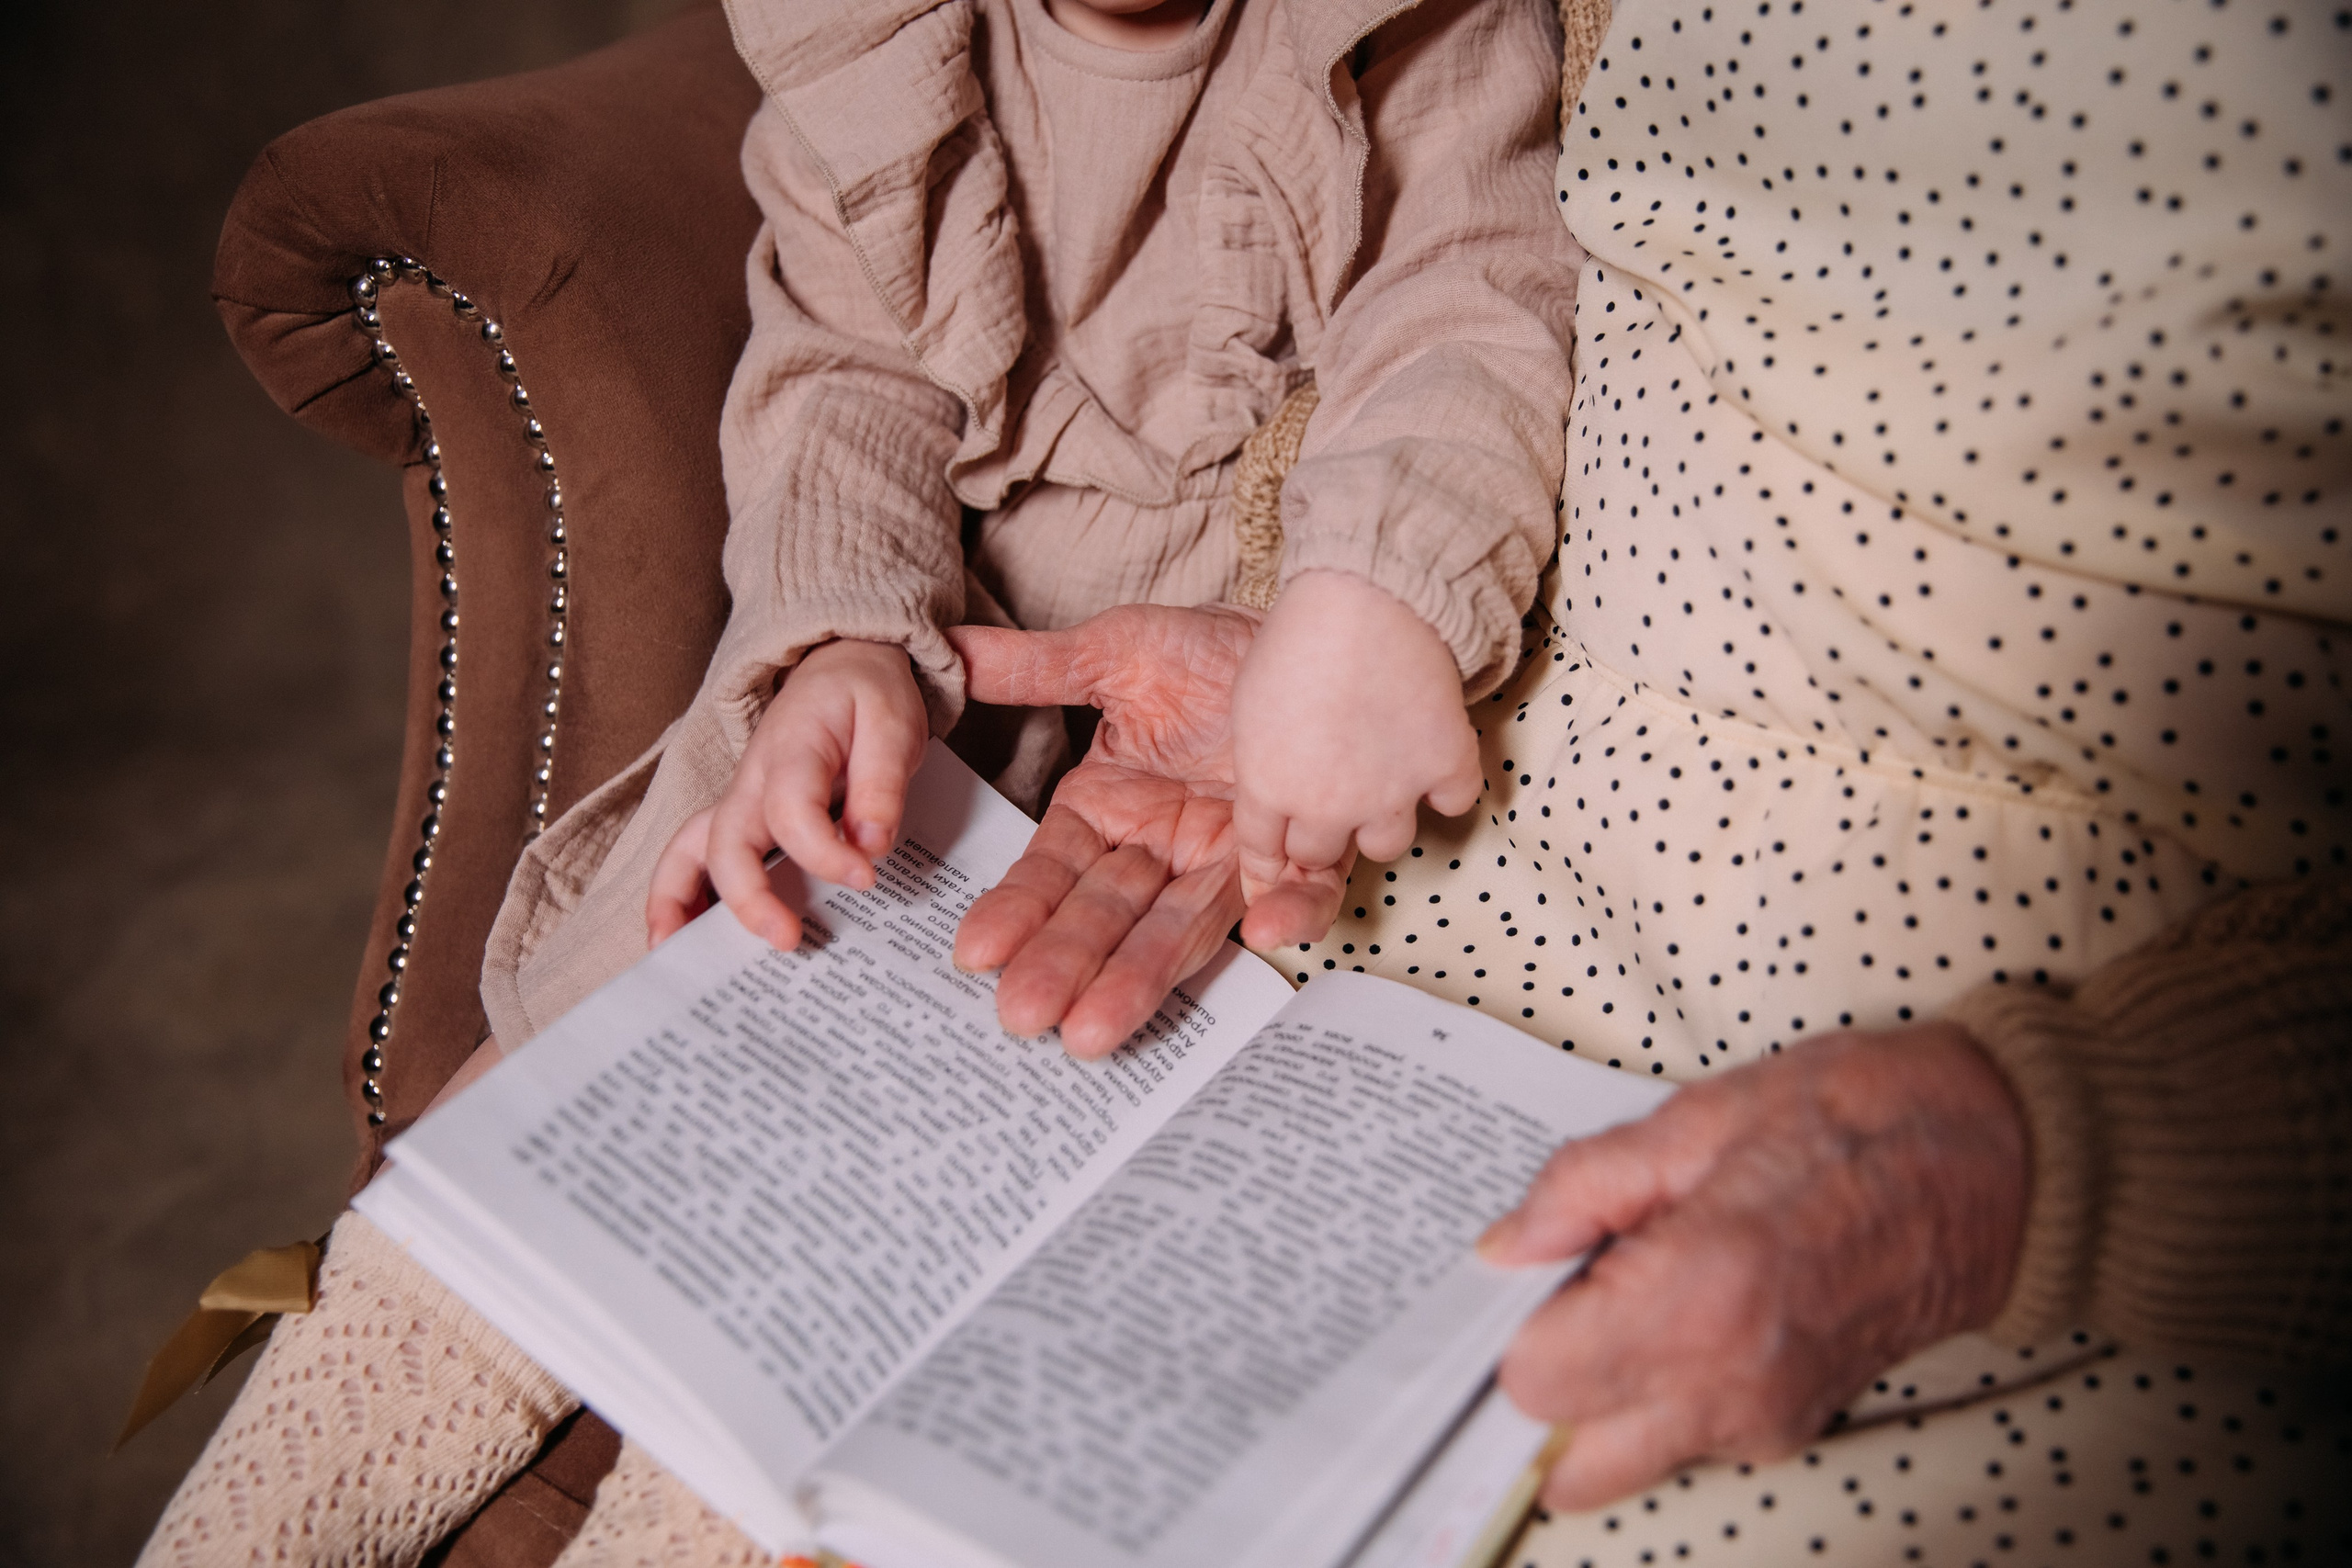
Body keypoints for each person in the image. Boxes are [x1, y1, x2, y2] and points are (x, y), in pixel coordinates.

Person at [138, 0, 1589, 1562]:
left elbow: (1473, 311)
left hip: (1230, 726)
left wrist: (1377, 597)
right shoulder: (884, 37)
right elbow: (848, 377)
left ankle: (730, 1507)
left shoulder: (1424, 35)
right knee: (640, 992)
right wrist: (837, 640)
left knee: (889, 1269)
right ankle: (329, 1434)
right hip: (929, 672)